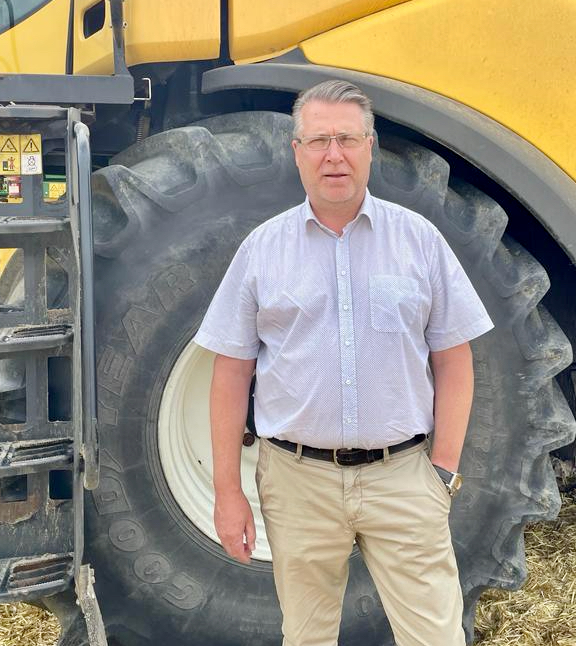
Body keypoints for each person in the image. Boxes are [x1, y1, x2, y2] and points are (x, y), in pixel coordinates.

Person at [194, 79, 494, 646]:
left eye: (348, 139)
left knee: (436, 637)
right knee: (306, 637)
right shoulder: (261, 249)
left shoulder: (419, 241)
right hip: (297, 482)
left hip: (404, 478)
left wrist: (443, 471)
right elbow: (230, 374)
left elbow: (455, 360)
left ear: (370, 147)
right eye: (318, 141)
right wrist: (228, 493)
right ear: (297, 152)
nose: (334, 155)